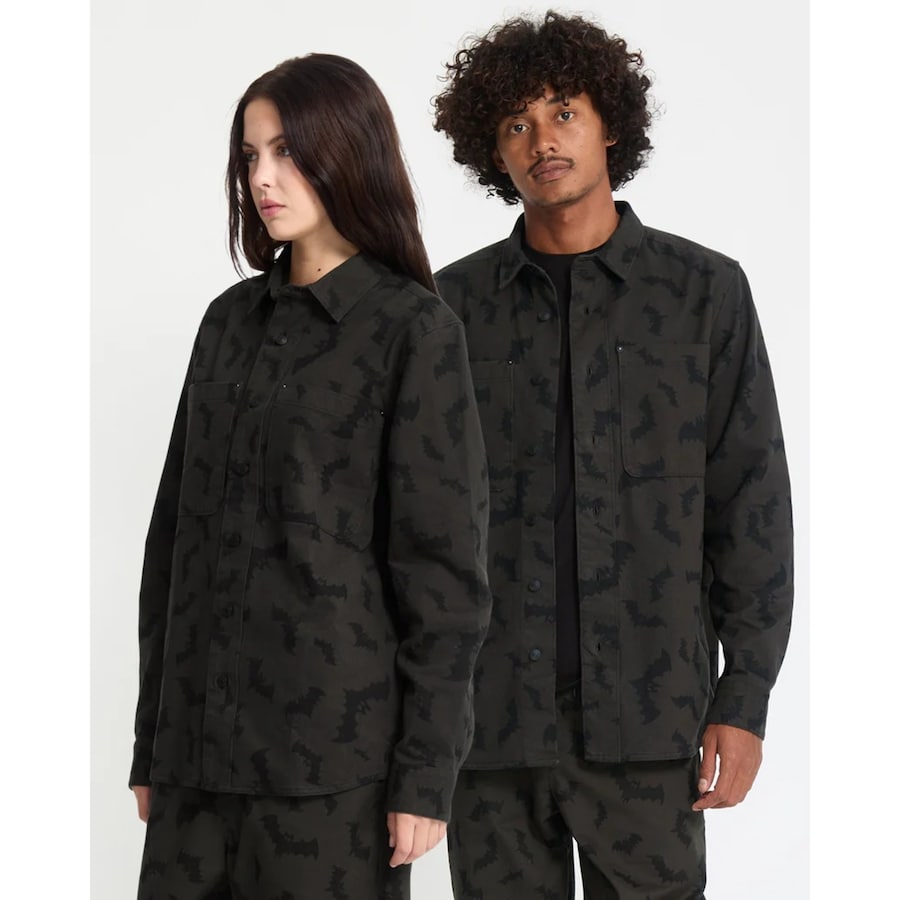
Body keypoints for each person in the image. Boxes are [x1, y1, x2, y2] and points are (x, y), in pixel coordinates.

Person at [431, 10, 793, 899]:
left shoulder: (704, 293)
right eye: (515, 124)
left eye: (563, 112)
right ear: (492, 151)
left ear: (611, 126)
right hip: (489, 730)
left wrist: (744, 698)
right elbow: (414, 526)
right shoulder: (449, 309)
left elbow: (751, 503)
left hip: (649, 724)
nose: (542, 141)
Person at [129, 53, 491, 900]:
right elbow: (172, 544)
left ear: (347, 152)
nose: (262, 177)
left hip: (332, 774)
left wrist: (425, 775)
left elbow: (444, 575)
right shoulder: (227, 323)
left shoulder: (414, 332)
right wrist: (153, 743)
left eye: (287, 152)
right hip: (196, 764)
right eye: (250, 156)